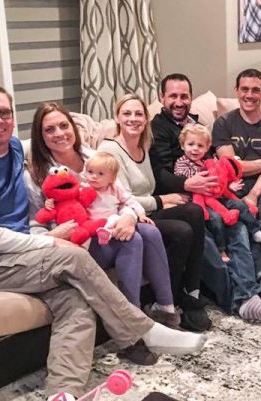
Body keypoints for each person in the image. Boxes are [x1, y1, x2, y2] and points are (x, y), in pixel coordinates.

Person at [0, 85, 205, 401]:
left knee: (75, 300)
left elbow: (50, 140)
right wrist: (49, 241)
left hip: (14, 254)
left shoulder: (12, 147)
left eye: (4, 113)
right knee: (74, 257)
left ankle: (63, 392)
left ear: (12, 117)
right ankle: (142, 329)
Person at [26, 102, 180, 364]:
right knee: (133, 240)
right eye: (49, 129)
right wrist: (56, 234)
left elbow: (123, 196)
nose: (59, 133)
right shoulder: (36, 175)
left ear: (73, 127)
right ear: (40, 136)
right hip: (75, 243)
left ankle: (166, 310)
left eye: (64, 125)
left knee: (149, 232)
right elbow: (35, 226)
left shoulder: (93, 157)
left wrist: (130, 217)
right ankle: (134, 327)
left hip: (107, 225)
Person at [149, 73, 261, 322]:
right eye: (173, 96)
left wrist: (224, 182)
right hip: (184, 199)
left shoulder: (196, 124)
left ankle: (250, 294)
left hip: (211, 194)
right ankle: (239, 300)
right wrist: (187, 184)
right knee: (206, 239)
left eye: (184, 96)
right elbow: (159, 174)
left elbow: (215, 163)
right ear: (162, 97)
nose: (179, 102)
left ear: (191, 97)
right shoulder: (156, 129)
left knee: (238, 227)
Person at [96, 93, 212, 332]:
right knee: (181, 230)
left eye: (139, 114)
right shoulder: (110, 150)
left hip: (145, 210)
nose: (133, 118)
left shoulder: (143, 145)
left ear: (146, 119)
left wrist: (162, 200)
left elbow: (149, 187)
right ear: (117, 117)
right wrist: (160, 201)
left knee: (194, 212)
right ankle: (169, 299)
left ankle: (191, 291)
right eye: (127, 113)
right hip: (124, 216)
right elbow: (121, 197)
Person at [212, 68, 261, 294]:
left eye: (255, 90)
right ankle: (245, 277)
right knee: (235, 220)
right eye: (244, 89)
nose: (249, 95)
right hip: (232, 184)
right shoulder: (224, 123)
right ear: (236, 91)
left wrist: (254, 194)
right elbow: (231, 167)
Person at [82, 151, 179, 328]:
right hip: (90, 231)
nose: (94, 176)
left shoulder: (102, 168)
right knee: (132, 239)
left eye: (99, 174)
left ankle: (166, 306)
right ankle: (134, 315)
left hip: (114, 220)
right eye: (90, 172)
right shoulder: (82, 185)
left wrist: (136, 216)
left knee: (151, 232)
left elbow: (128, 201)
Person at [174, 123, 261, 262]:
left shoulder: (209, 161)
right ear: (182, 145)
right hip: (200, 201)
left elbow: (221, 178)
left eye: (200, 146)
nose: (195, 149)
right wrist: (205, 174)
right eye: (191, 144)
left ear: (207, 148)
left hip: (218, 196)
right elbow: (187, 180)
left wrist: (228, 185)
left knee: (240, 204)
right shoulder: (182, 163)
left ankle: (255, 230)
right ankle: (221, 250)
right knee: (216, 219)